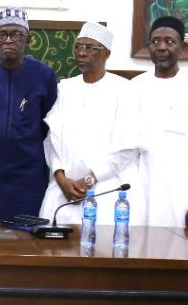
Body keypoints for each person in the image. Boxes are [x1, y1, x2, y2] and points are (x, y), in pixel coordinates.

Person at [38, 22, 143, 224]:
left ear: (106, 53)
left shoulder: (124, 90)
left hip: (105, 191)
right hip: (63, 191)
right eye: (78, 47)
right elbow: (51, 140)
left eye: (89, 48)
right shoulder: (65, 88)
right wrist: (61, 178)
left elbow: (127, 149)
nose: (82, 53)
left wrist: (88, 181)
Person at [0, 6, 57, 221]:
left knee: (26, 240)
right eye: (2, 34)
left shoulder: (44, 75)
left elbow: (49, 125)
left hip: (27, 176)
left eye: (16, 34)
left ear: (29, 39)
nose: (8, 40)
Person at [133, 16, 188, 228]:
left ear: (182, 46)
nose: (161, 47)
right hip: (142, 195)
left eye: (169, 41)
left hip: (184, 199)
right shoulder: (135, 87)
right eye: (155, 41)